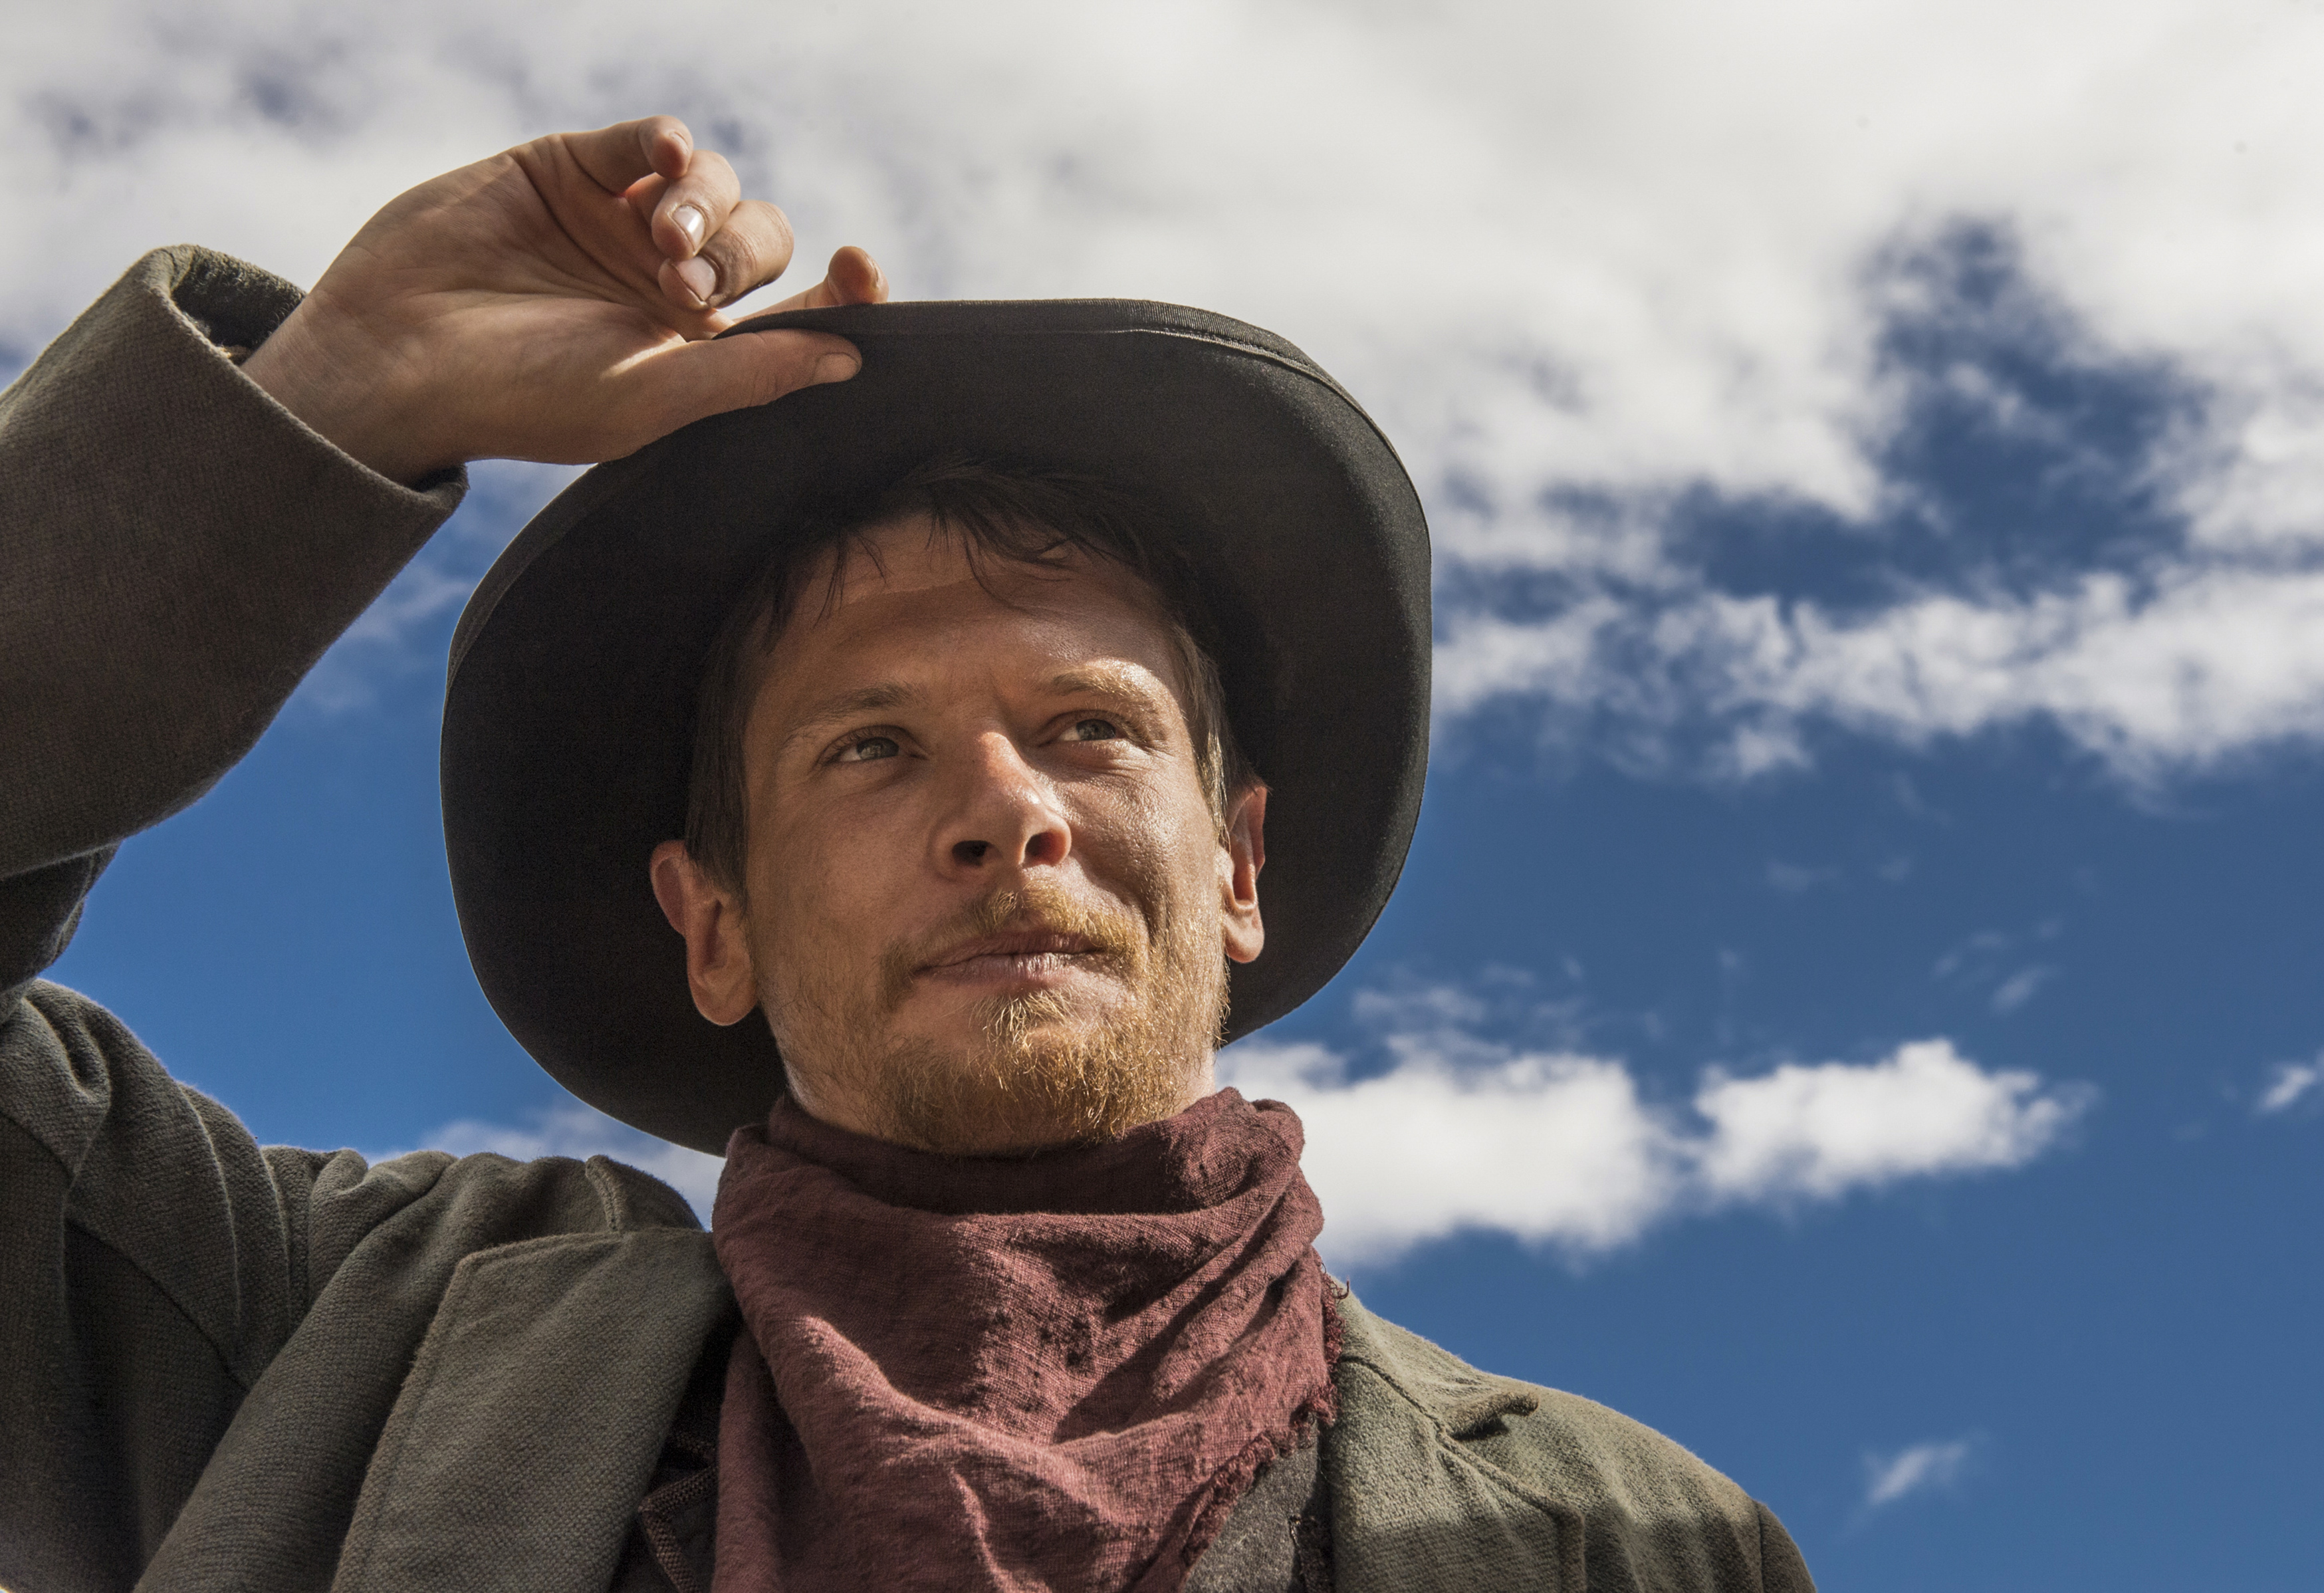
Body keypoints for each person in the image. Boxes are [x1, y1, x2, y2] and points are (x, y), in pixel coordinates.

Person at [0, 116, 1814, 1593]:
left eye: (1094, 727)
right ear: (712, 924)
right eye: (870, 747)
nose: (1005, 809)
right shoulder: (327, 1343)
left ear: (1239, 864)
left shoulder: (1631, 1543)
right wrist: (341, 385)